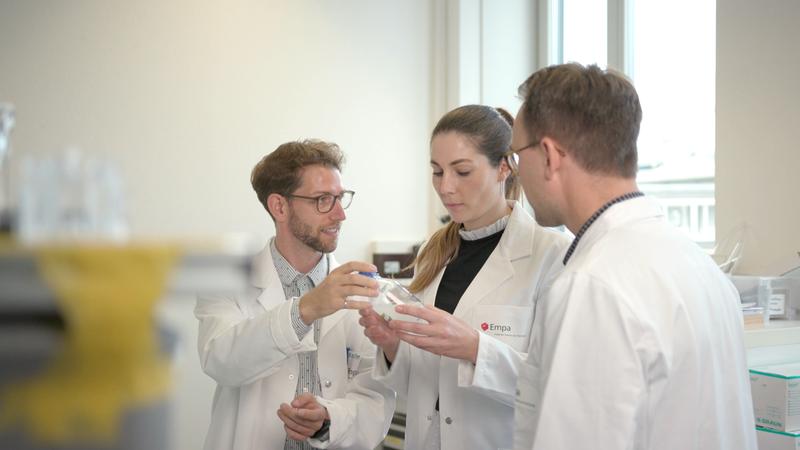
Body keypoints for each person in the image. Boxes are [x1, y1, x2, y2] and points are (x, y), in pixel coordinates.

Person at [510, 63, 757, 450]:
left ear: (549, 155)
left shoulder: (593, 286)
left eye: (515, 155)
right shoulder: (697, 264)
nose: (515, 172)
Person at [358, 105, 569, 450]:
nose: (446, 187)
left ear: (504, 167)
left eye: (462, 171)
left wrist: (475, 348)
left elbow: (559, 386)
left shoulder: (552, 255)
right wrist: (392, 346)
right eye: (437, 172)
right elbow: (426, 383)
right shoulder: (433, 252)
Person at [195, 140, 395, 450]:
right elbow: (222, 361)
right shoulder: (227, 282)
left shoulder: (362, 290)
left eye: (340, 198)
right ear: (279, 206)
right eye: (323, 200)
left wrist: (328, 419)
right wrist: (305, 309)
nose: (340, 214)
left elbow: (375, 398)